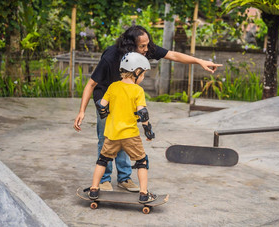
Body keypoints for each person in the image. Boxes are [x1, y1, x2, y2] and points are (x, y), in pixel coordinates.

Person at [73, 25, 222, 192]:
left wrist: (199, 61)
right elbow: (91, 84)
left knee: (125, 134)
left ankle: (124, 178)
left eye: (147, 45)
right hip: (107, 95)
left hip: (128, 95)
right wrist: (82, 111)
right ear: (130, 46)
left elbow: (172, 55)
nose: (146, 49)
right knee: (107, 137)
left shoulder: (144, 50)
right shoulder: (111, 56)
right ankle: (104, 179)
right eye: (142, 46)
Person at [89, 52, 156, 203]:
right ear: (136, 72)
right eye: (143, 74)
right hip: (130, 135)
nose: (143, 77)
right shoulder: (138, 91)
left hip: (112, 135)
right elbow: (142, 113)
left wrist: (110, 111)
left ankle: (94, 189)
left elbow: (102, 106)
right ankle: (143, 193)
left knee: (102, 160)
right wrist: (148, 131)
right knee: (142, 162)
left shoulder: (113, 86)